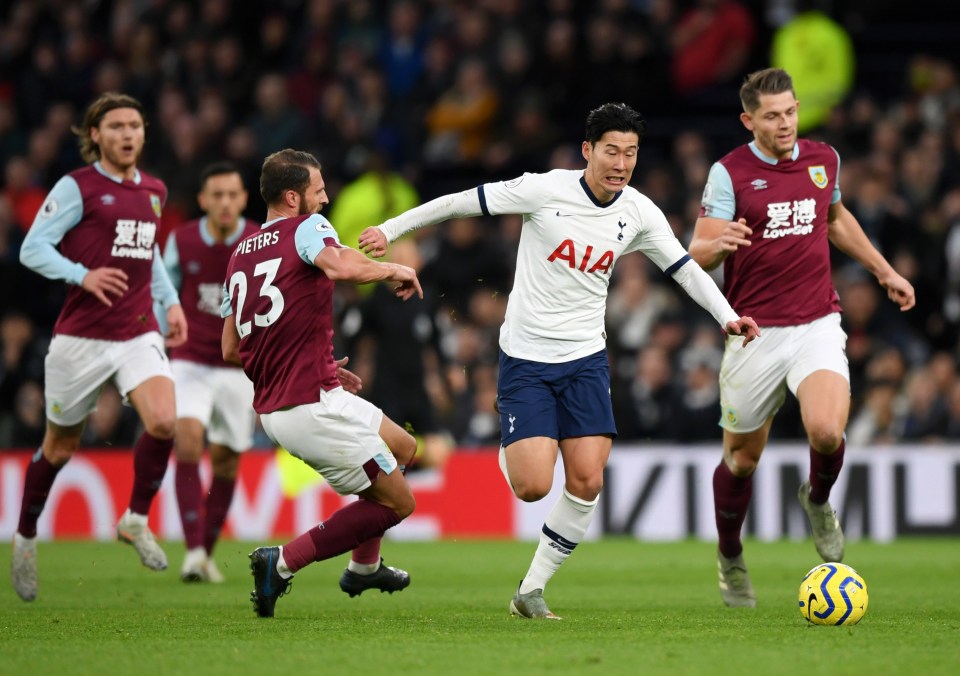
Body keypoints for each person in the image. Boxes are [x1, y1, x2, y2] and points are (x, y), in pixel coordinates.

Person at [359, 102, 761, 619]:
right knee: (531, 487)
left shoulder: (637, 211)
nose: (621, 163)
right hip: (526, 357)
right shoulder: (543, 189)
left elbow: (684, 269)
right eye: (612, 151)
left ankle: (530, 590)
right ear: (588, 150)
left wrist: (727, 315)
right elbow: (460, 202)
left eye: (631, 154)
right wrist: (391, 231)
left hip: (585, 359)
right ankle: (515, 444)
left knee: (589, 479)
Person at [687, 68, 916, 609]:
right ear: (749, 121)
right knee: (741, 462)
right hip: (754, 332)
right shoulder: (729, 174)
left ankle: (817, 500)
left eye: (790, 111)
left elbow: (835, 221)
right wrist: (722, 245)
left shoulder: (824, 160)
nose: (785, 122)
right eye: (772, 115)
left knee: (827, 431)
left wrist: (884, 271)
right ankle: (729, 554)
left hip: (816, 321)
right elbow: (694, 252)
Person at [221, 149, 423, 618]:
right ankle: (283, 562)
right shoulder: (307, 228)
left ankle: (364, 568)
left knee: (404, 447)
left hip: (293, 400)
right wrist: (394, 267)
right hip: (309, 406)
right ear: (293, 197)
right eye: (319, 190)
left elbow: (231, 348)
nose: (327, 199)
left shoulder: (238, 257)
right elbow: (342, 267)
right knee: (398, 503)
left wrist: (313, 358)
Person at [12, 92, 188, 603]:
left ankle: (134, 518)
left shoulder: (154, 189)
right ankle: (25, 536)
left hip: (137, 331)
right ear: (95, 135)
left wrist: (170, 302)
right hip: (79, 340)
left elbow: (148, 252)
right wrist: (81, 274)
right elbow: (32, 248)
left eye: (135, 125)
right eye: (116, 126)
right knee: (59, 448)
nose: (128, 134)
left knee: (163, 422)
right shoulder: (77, 187)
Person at [161, 162, 259, 582]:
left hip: (239, 366)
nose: (224, 202)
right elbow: (161, 291)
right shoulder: (180, 240)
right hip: (189, 360)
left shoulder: (259, 240)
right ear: (202, 200)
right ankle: (193, 550)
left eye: (232, 195)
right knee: (187, 441)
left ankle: (205, 554)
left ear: (243, 199)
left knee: (225, 461)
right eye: (216, 195)